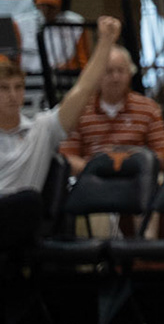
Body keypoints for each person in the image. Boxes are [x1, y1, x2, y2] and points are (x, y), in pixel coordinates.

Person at [0, 17, 119, 254]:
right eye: (3, 88)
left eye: (18, 87)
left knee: (28, 201)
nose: (12, 95)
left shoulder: (42, 129)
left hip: (20, 219)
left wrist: (106, 41)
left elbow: (83, 90)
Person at [58, 43, 164, 167]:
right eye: (109, 71)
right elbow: (68, 156)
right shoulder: (79, 111)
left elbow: (160, 154)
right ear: (96, 76)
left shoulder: (148, 109)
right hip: (92, 175)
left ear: (130, 73)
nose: (115, 78)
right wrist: (95, 170)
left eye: (121, 71)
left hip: (136, 174)